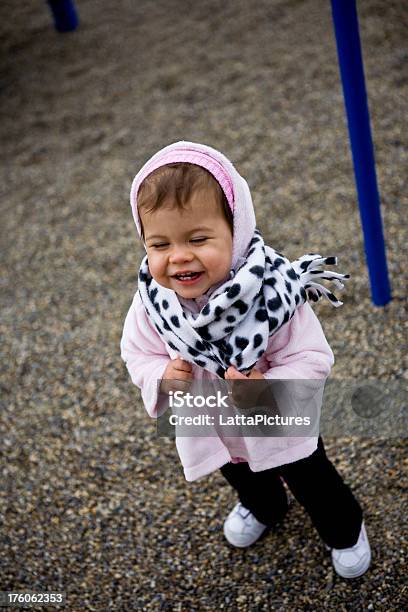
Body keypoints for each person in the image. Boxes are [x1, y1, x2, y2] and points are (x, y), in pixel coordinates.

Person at [120, 141, 371, 578]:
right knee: (241, 475)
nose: (178, 256)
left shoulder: (273, 293)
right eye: (159, 244)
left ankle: (345, 529)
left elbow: (312, 357)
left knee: (312, 479)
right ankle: (265, 507)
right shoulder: (152, 303)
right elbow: (136, 352)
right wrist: (160, 375)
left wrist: (266, 387)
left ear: (235, 231)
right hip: (212, 421)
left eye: (198, 239)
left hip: (275, 420)